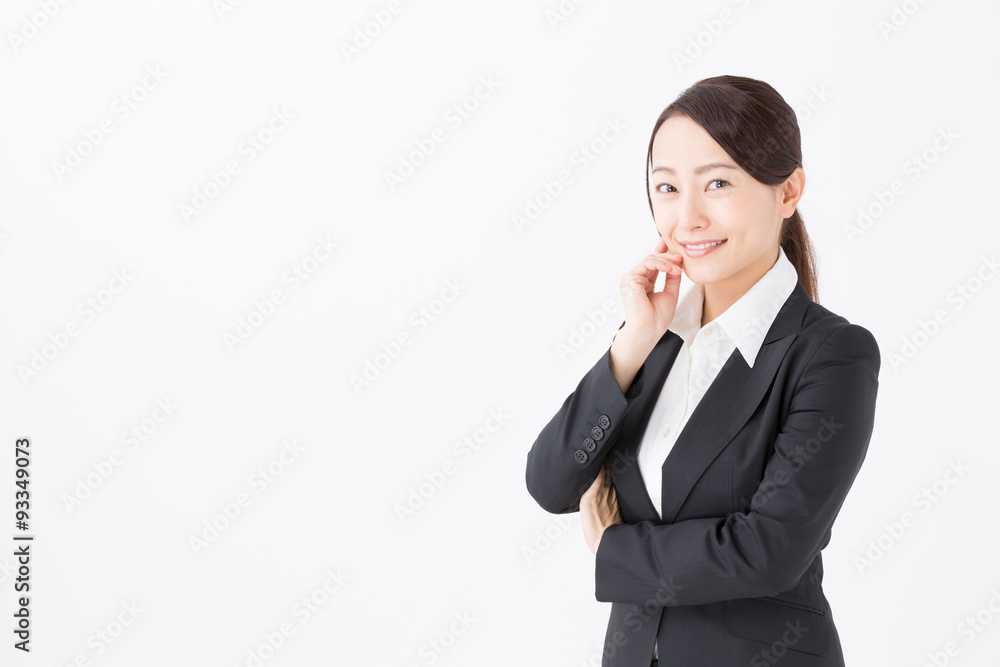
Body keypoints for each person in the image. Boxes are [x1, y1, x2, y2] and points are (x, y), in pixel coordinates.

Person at [524, 75, 880, 666]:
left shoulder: (830, 355)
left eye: (717, 183)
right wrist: (634, 341)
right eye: (666, 187)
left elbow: (769, 550)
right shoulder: (652, 342)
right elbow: (551, 482)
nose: (686, 217)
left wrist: (615, 549)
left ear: (787, 190)